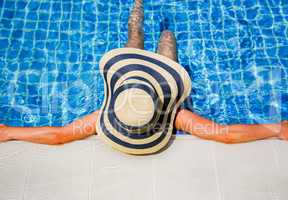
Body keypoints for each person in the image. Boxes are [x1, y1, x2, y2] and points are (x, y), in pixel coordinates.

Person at [0, 0, 287, 146]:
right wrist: (275, 129)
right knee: (163, 40)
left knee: (137, 37)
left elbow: (60, 135)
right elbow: (222, 134)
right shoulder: (174, 116)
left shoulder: (105, 117)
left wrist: (10, 132)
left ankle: (140, 7)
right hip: (135, 78)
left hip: (132, 79)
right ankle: (165, 21)